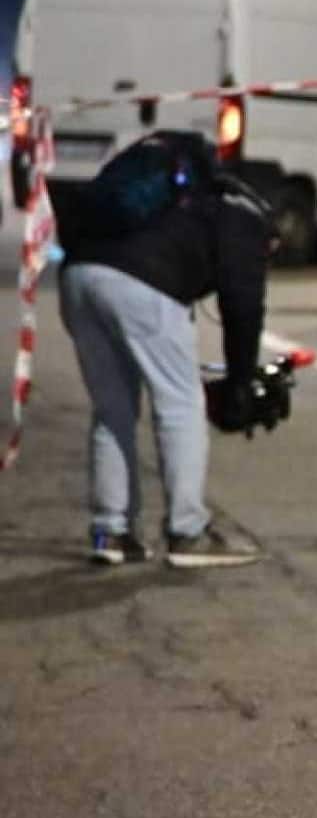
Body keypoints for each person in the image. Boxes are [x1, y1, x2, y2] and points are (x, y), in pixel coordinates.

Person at [54, 130, 276, 569]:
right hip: (141, 285)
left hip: (77, 276)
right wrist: (240, 383)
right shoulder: (246, 220)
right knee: (180, 403)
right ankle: (187, 532)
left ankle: (111, 530)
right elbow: (243, 310)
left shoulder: (179, 202)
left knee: (112, 409)